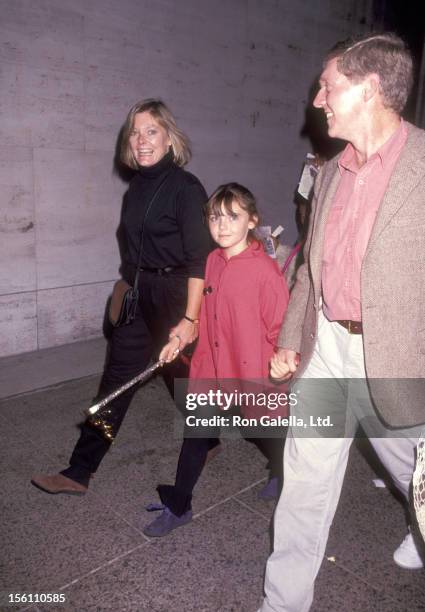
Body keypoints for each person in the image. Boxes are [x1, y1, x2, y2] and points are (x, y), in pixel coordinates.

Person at [258, 33, 425, 612]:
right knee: (304, 485)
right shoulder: (328, 172)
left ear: (370, 89)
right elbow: (309, 269)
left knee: (417, 478)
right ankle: (283, 603)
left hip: (400, 359)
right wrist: (288, 340)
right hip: (328, 347)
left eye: (328, 86)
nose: (317, 98)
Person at [31, 99, 212, 495]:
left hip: (175, 296)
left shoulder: (186, 188)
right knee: (116, 380)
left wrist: (189, 319)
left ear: (169, 138)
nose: (141, 140)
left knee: (185, 379)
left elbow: (200, 261)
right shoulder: (136, 187)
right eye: (135, 132)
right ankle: (80, 470)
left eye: (151, 131)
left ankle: (219, 435)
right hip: (139, 296)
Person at [142, 183, 290, 536]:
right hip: (212, 367)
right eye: (214, 217)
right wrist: (182, 336)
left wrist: (283, 366)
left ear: (252, 221)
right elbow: (201, 314)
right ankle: (179, 505)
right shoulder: (210, 261)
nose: (222, 226)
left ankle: (282, 474)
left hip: (252, 372)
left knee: (266, 433)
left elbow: (282, 329)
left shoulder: (265, 272)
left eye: (232, 217)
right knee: (196, 434)